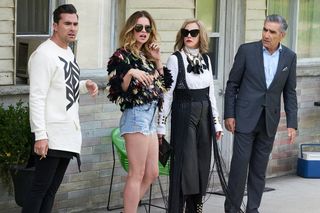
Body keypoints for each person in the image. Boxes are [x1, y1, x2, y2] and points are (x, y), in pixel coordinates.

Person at [22, 4, 98, 213]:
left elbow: (63, 86)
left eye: (75, 24)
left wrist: (84, 85)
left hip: (68, 133)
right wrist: (40, 135)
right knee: (39, 189)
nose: (72, 28)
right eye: (67, 23)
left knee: (50, 191)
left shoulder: (67, 52)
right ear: (55, 25)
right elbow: (37, 97)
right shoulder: (44, 55)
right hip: (51, 134)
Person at [224, 14, 297, 213]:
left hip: (269, 121)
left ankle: (253, 208)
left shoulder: (289, 57)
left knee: (258, 170)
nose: (266, 34)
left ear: (281, 35)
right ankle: (231, 209)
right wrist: (229, 114)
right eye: (265, 29)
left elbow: (289, 92)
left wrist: (292, 123)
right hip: (245, 119)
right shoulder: (246, 51)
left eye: (272, 32)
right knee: (239, 169)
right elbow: (232, 85)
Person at [106, 10, 172, 212]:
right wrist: (130, 72)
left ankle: (129, 208)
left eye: (147, 28)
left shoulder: (147, 56)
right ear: (131, 29)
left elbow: (164, 86)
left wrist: (158, 60)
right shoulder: (121, 56)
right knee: (137, 173)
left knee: (152, 172)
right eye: (139, 27)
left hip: (150, 117)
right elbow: (116, 89)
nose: (143, 31)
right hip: (135, 115)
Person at [157, 19, 223, 213]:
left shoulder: (206, 59)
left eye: (193, 33)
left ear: (200, 35)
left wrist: (216, 123)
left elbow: (211, 94)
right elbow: (167, 95)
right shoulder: (175, 59)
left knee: (202, 166)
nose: (188, 36)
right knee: (186, 168)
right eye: (185, 32)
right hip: (184, 113)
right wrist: (161, 126)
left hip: (205, 116)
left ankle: (195, 210)